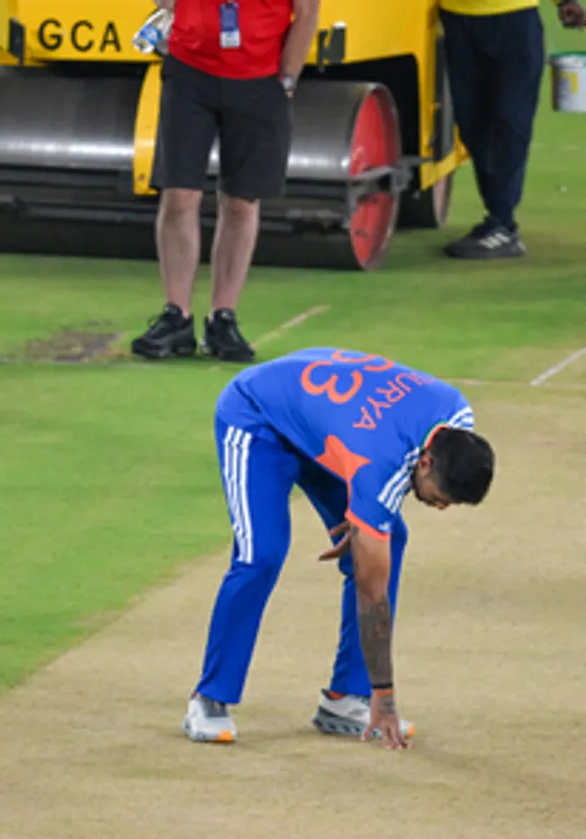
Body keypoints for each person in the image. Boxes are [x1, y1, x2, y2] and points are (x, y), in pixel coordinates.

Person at [183, 347, 495, 749]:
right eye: (442, 497)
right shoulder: (380, 460)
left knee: (389, 539)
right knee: (260, 555)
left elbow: (383, 467)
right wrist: (386, 694)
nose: (440, 506)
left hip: (329, 431)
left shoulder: (456, 415)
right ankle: (208, 698)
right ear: (425, 463)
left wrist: (368, 525)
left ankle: (346, 697)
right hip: (259, 419)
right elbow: (373, 594)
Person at [131, 0, 320, 364]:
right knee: (178, 195)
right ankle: (177, 315)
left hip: (260, 78)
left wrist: (287, 79)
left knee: (241, 201)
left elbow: (308, 11)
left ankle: (223, 316)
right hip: (190, 71)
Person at [439, 0, 586, 259]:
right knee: (472, 123)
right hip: (456, 17)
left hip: (514, 17)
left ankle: (502, 221)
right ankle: (498, 219)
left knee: (509, 120)